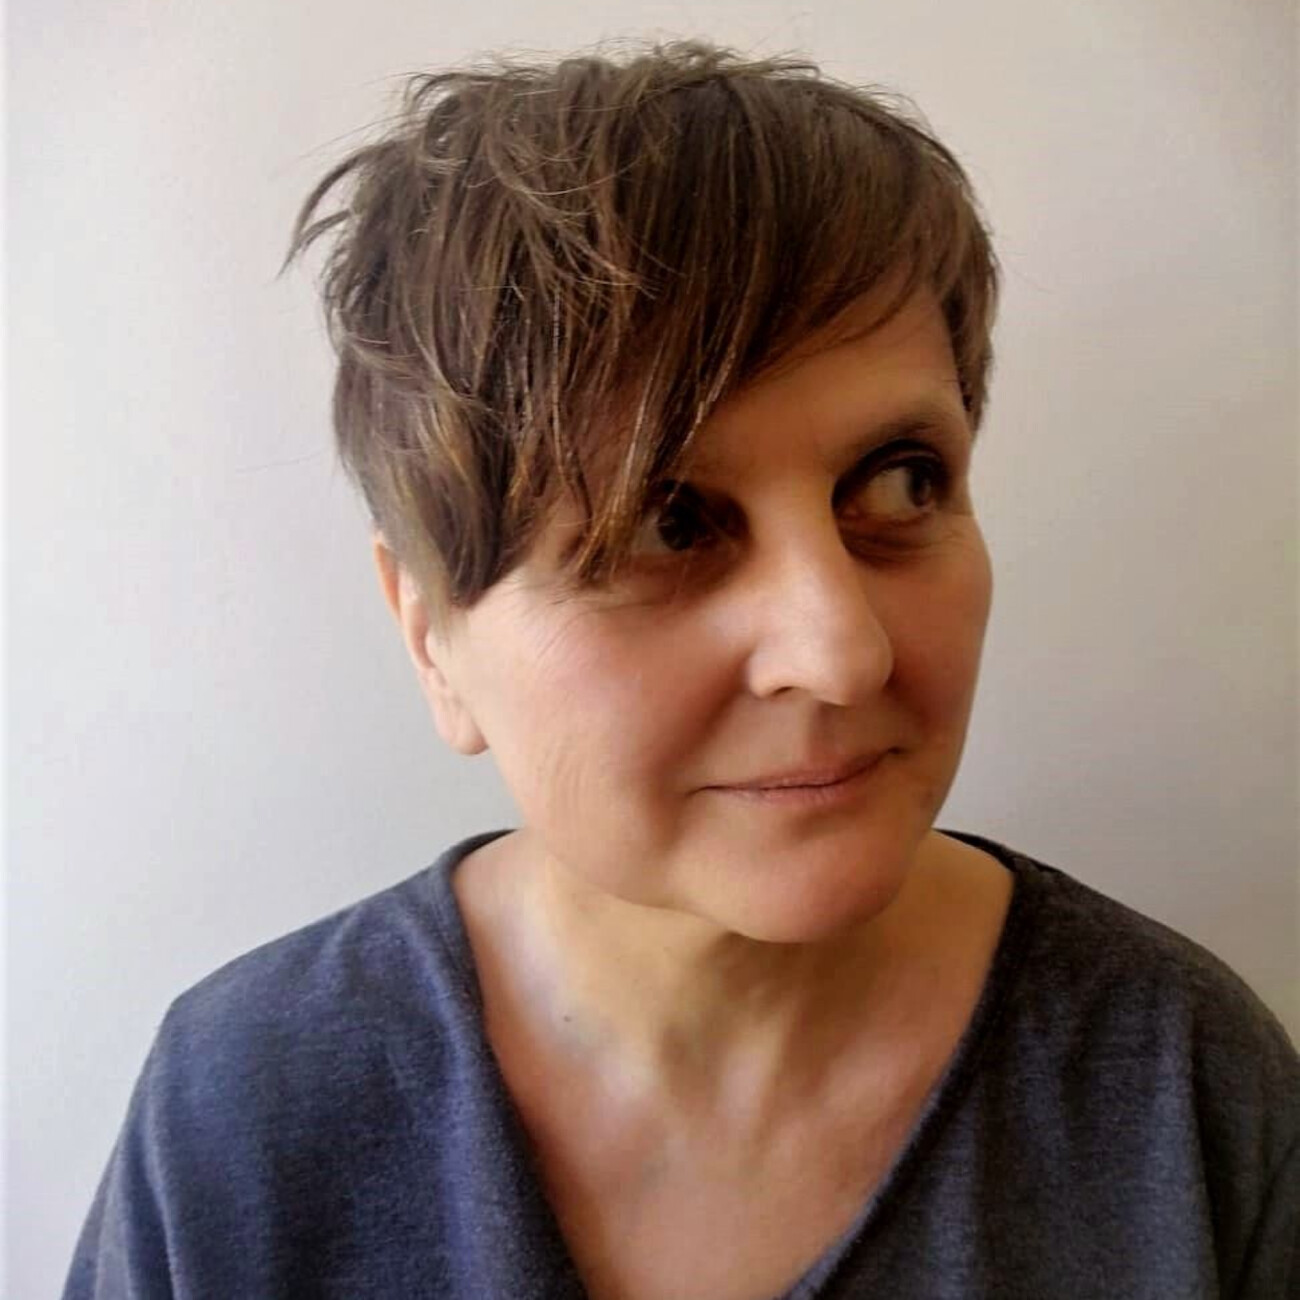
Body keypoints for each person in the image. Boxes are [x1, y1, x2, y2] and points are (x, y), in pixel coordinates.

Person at [64, 41, 1297, 1300]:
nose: (841, 651)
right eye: (666, 524)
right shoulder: (247, 1113)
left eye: (897, 485)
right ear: (432, 634)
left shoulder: (1186, 1091)